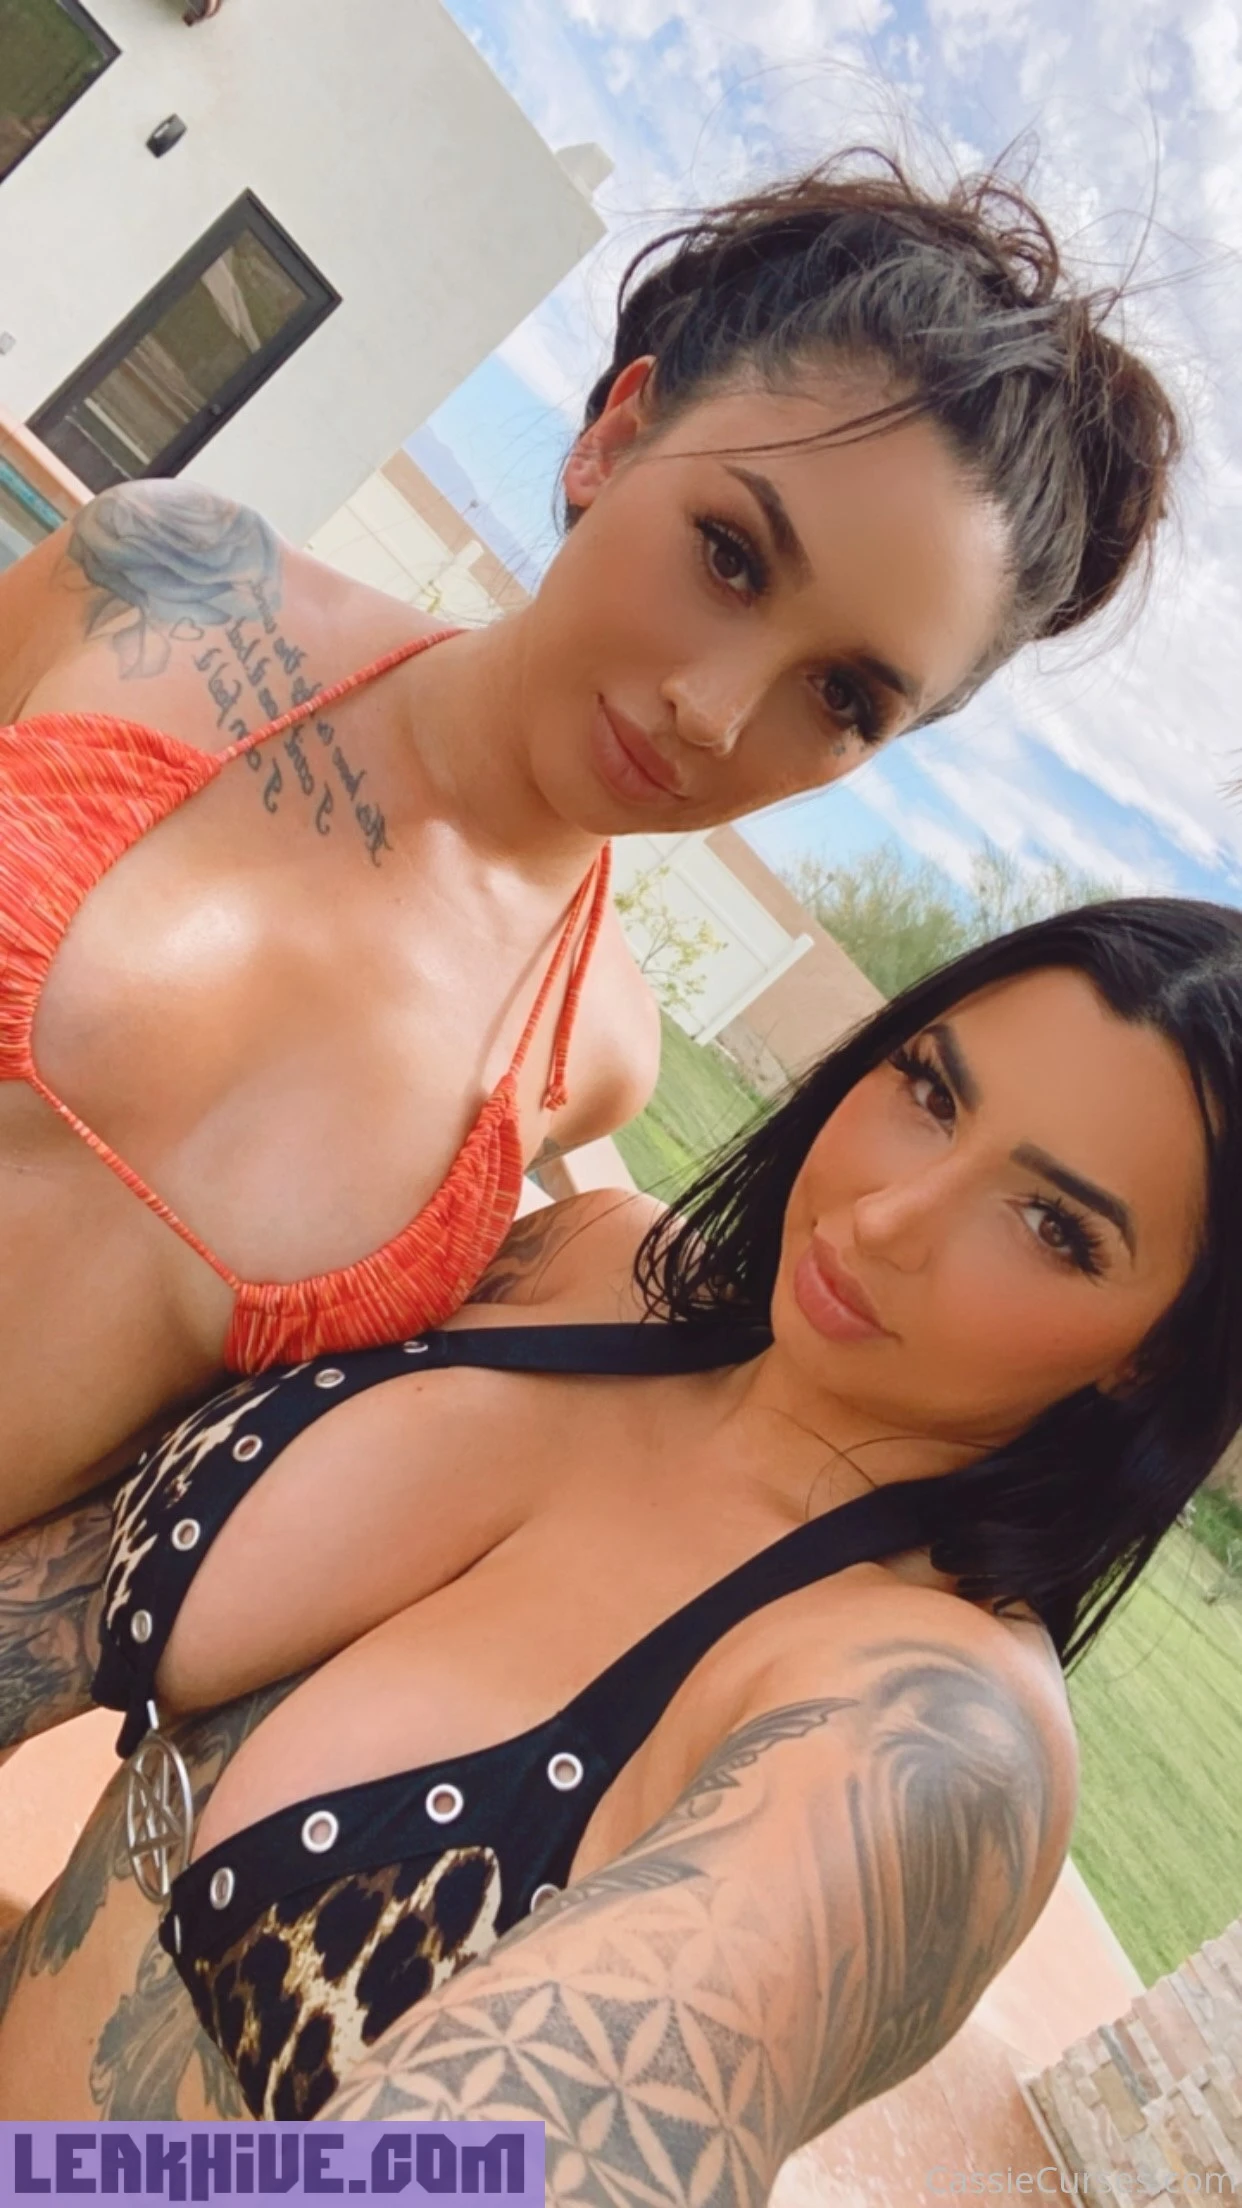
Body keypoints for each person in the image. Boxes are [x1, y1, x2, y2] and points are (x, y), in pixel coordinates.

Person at [0, 149, 1181, 1536]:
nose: (712, 711)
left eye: (842, 698)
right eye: (729, 555)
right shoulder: (172, 590)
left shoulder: (592, 1053)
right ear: (615, 438)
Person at [1, 896, 1238, 2197]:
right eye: (930, 1091)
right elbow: (62, 1600)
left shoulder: (927, 1741)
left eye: (1053, 1228)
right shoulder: (588, 1265)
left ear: (1154, 1356)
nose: (887, 1218)